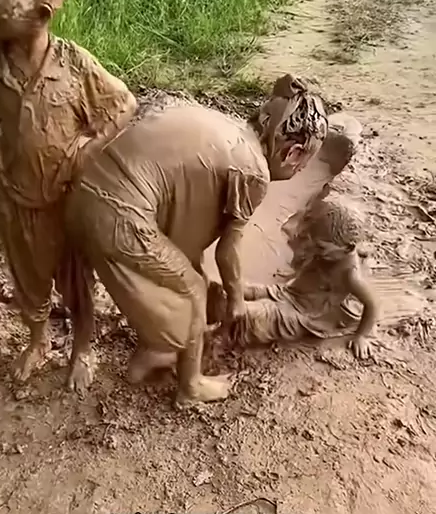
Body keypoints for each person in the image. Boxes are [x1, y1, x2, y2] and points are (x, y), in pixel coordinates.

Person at [66, 74, 329, 403]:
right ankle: (190, 386)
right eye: (303, 164)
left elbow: (183, 234)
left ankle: (158, 347)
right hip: (118, 214)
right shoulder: (254, 172)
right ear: (292, 153)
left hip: (84, 195)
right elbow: (227, 253)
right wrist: (235, 301)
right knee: (192, 290)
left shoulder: (226, 128)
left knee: (182, 274)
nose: (299, 171)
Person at [0, 0, 137, 393]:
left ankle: (83, 346)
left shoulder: (75, 65)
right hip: (17, 199)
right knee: (27, 279)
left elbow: (124, 104)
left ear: (42, 14)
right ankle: (39, 339)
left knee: (76, 281)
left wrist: (88, 147)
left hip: (65, 204)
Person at [206, 191, 378, 359]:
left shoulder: (350, 275)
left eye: (321, 247)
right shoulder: (329, 251)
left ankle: (219, 325)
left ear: (347, 248)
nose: (316, 249)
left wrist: (362, 335)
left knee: (254, 317)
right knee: (242, 290)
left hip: (302, 313)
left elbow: (372, 305)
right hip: (287, 292)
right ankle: (213, 298)